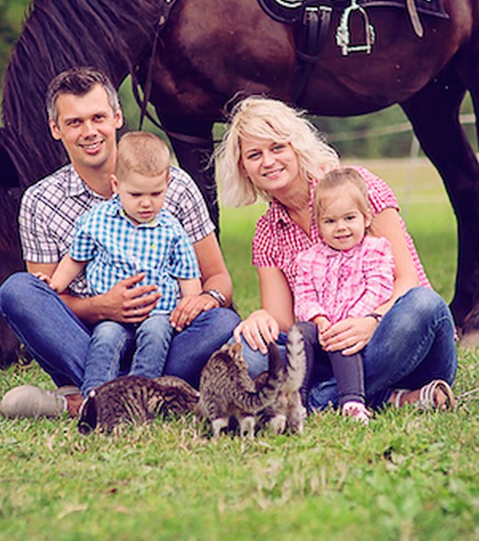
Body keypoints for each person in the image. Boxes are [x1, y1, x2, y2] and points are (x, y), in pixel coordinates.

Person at [0, 67, 239, 419]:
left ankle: (86, 401)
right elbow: (48, 294)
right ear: (56, 129)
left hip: (165, 335)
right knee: (17, 291)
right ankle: (148, 395)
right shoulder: (40, 201)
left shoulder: (175, 185)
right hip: (84, 340)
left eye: (98, 117)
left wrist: (204, 299)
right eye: (75, 122)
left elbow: (219, 279)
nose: (90, 131)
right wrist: (102, 307)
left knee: (222, 323)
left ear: (117, 116)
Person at [214, 95, 457, 413]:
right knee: (252, 351)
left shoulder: (355, 186)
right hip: (329, 349)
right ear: (243, 168)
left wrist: (371, 321)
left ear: (296, 146)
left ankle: (315, 401)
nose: (268, 161)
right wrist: (262, 317)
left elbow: (407, 279)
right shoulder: (267, 231)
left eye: (277, 147)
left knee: (425, 304)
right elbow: (285, 322)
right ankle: (387, 398)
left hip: (396, 339)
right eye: (254, 155)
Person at [37, 131, 202, 392]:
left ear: (167, 184)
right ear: (116, 185)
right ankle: (95, 395)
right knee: (105, 339)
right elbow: (75, 259)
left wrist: (189, 306)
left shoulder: (172, 230)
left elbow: (187, 274)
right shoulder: (97, 221)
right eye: (136, 195)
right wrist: (54, 285)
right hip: (111, 314)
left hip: (158, 313)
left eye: (156, 194)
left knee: (157, 335)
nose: (147, 203)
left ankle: (136, 392)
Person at [294, 167, 395, 425]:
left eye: (349, 218)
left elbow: (379, 288)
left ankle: (352, 402)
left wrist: (352, 318)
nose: (341, 228)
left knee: (344, 337)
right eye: (330, 221)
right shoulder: (308, 259)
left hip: (359, 331)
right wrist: (319, 320)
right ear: (318, 224)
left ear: (366, 217)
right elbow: (304, 296)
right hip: (324, 330)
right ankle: (296, 400)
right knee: (299, 333)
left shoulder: (375, 250)